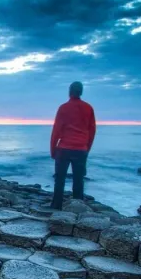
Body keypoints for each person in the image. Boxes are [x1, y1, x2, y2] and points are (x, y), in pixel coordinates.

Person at [50, 81, 96, 210]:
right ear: (81, 92)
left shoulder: (63, 108)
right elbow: (92, 131)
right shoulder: (88, 108)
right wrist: (87, 149)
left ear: (69, 91)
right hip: (81, 149)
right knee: (78, 180)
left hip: (64, 148)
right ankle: (77, 207)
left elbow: (56, 131)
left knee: (60, 179)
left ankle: (56, 205)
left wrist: (53, 150)